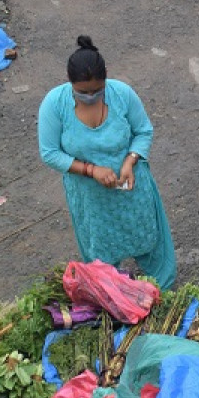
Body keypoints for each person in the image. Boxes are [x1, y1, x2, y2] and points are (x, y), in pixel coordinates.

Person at [38, 36, 176, 288]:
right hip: (91, 199)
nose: (90, 96)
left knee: (147, 239)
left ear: (105, 81)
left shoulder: (121, 94)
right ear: (71, 84)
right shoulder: (54, 105)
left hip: (132, 189)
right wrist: (91, 170)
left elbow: (143, 131)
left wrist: (130, 160)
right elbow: (50, 153)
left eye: (96, 91)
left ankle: (162, 291)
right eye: (82, 92)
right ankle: (115, 296)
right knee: (102, 256)